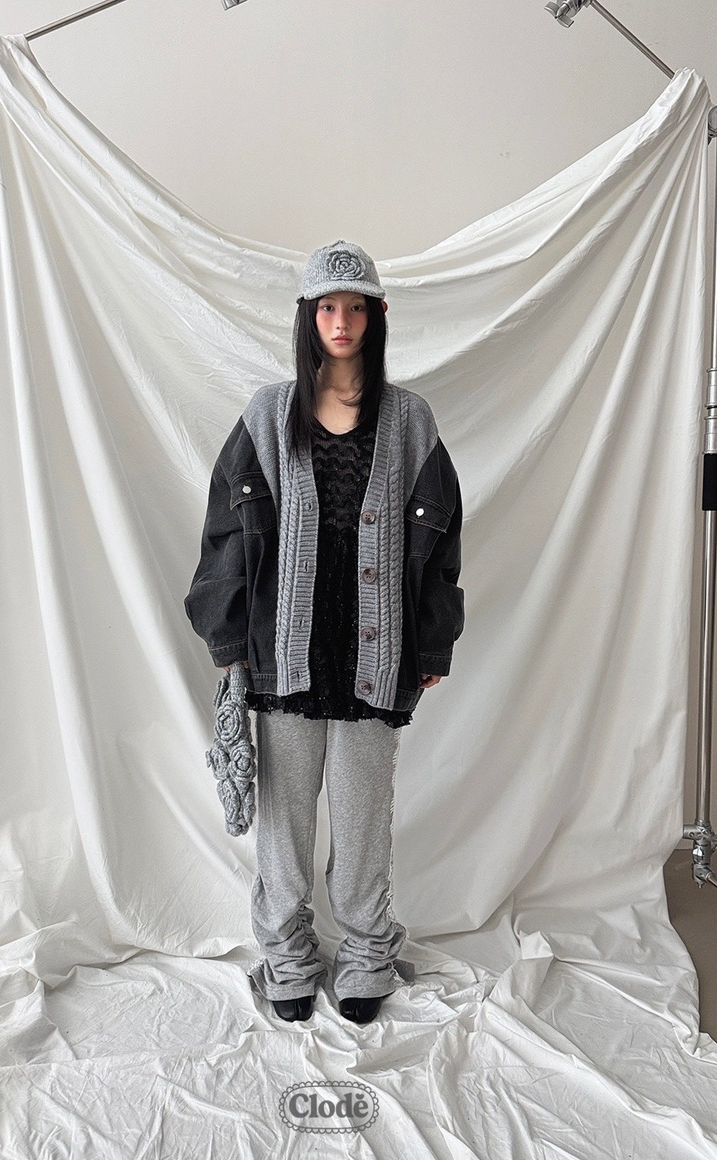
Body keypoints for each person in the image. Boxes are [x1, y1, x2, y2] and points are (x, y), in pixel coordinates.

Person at [185, 240, 464, 1025]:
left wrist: (432, 643)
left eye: (356, 307)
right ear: (308, 317)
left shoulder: (410, 420)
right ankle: (287, 957)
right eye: (327, 307)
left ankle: (368, 953)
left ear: (378, 316)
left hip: (377, 653)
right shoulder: (268, 414)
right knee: (285, 826)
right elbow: (225, 532)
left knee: (363, 819)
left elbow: (441, 540)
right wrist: (229, 640)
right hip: (286, 655)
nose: (341, 321)